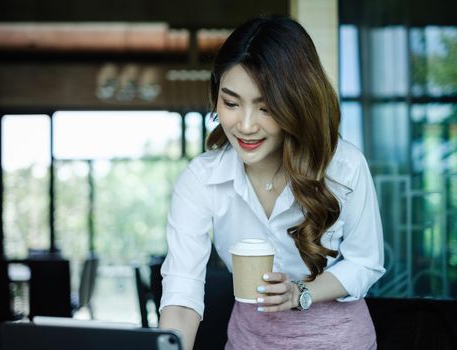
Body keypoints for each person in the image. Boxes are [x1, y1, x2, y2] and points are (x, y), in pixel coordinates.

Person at [158, 15, 385, 350]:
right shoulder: (201, 179)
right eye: (231, 103)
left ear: (297, 103)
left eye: (266, 108)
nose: (245, 125)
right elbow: (181, 292)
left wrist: (301, 292)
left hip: (338, 340)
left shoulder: (344, 166)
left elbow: (366, 262)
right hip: (249, 341)